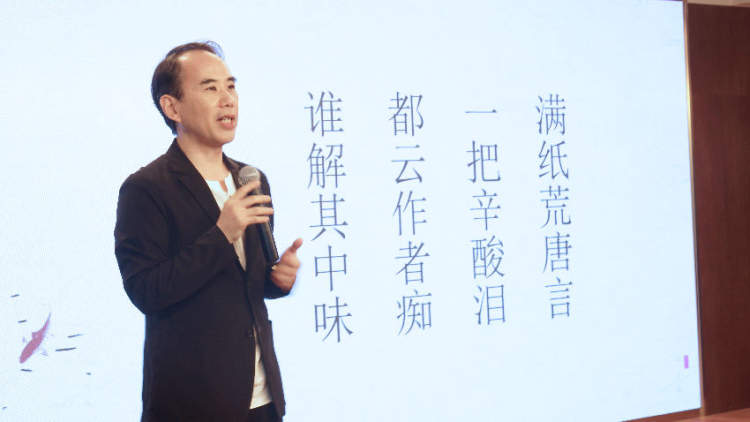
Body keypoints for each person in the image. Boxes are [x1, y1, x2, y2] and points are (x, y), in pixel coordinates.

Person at [114, 41, 301, 422]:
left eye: (231, 86)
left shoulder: (250, 178)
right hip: (193, 403)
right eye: (210, 88)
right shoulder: (146, 188)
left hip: (262, 399)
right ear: (172, 107)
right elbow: (146, 292)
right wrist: (221, 234)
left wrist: (277, 279)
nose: (227, 99)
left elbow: (245, 283)